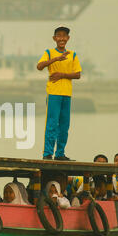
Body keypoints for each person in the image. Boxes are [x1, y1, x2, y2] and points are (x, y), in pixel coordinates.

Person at [37, 26, 82, 161]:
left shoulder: (72, 55)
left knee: (64, 125)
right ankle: (47, 153)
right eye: (59, 36)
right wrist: (55, 59)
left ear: (68, 38)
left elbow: (78, 74)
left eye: (64, 36)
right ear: (54, 38)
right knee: (52, 124)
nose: (61, 38)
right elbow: (39, 66)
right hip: (54, 93)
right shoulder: (49, 52)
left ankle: (60, 153)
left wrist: (62, 74)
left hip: (67, 94)